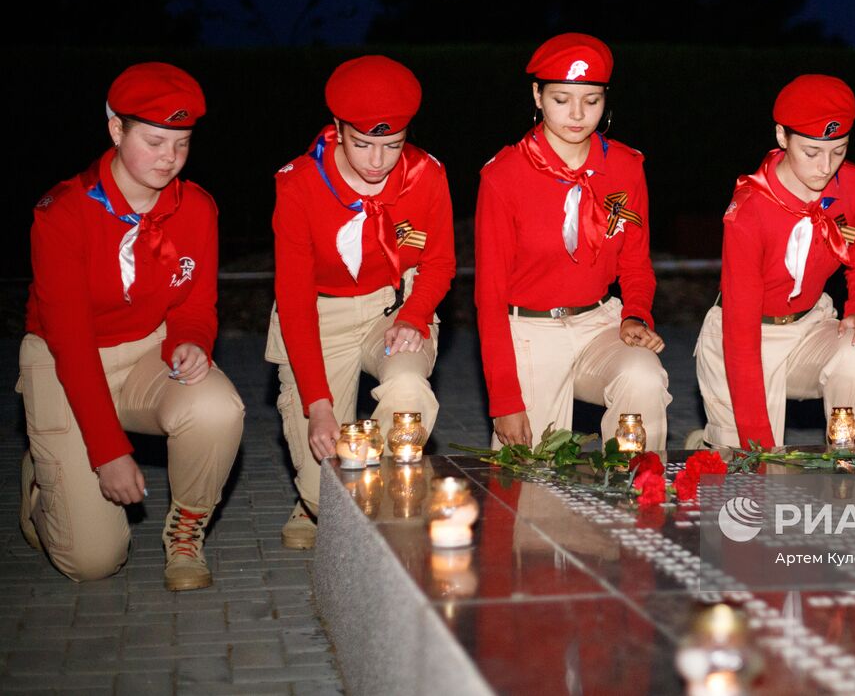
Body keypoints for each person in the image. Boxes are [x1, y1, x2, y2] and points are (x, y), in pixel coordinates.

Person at [18, 63, 244, 590]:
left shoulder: (198, 209)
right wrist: (108, 451)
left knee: (216, 407)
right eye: (155, 141)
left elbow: (195, 304)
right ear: (116, 129)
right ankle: (42, 482)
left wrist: (191, 340)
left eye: (182, 144)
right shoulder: (63, 214)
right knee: (94, 562)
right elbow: (70, 341)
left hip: (146, 351)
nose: (169, 158)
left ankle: (187, 532)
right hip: (63, 358)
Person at [268, 55, 454, 549]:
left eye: (392, 145)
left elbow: (438, 262)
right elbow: (293, 298)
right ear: (336, 129)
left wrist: (414, 315)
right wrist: (319, 405)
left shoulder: (427, 174)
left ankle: (395, 503)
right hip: (318, 315)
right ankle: (310, 498)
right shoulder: (297, 184)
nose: (378, 161)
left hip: (391, 308)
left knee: (408, 383)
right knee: (322, 487)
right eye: (363, 144)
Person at [475, 33, 669, 450]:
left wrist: (635, 315)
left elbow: (635, 263)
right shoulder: (503, 175)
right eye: (562, 99)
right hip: (530, 329)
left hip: (599, 322)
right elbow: (488, 295)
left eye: (592, 100)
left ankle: (638, 501)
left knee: (644, 376)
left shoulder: (625, 166)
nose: (578, 114)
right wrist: (504, 399)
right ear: (537, 95)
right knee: (530, 481)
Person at [695, 74, 855, 449]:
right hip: (743, 333)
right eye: (811, 152)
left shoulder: (854, 185)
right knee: (754, 470)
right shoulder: (748, 211)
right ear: (782, 137)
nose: (826, 166)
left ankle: (853, 473)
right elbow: (740, 331)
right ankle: (716, 442)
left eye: (839, 150)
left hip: (808, 325)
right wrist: (760, 450)